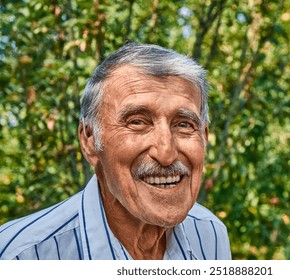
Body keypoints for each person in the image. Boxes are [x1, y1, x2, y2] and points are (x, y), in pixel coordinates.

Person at [0, 43, 231, 260]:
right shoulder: (20, 256)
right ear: (89, 140)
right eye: (138, 122)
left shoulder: (210, 235)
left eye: (184, 124)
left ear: (204, 136)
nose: (166, 153)